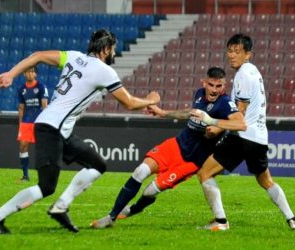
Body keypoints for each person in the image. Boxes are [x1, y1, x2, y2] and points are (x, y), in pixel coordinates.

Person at [0, 29, 160, 234]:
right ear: (106, 49)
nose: (114, 53)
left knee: (97, 164)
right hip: (51, 129)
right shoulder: (104, 71)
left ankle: (61, 206)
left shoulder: (73, 56)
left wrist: (10, 74)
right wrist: (152, 100)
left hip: (59, 129)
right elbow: (130, 103)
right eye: (113, 49)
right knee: (46, 187)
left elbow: (37, 56)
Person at [90, 67, 247, 229]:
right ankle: (111, 217)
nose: (214, 90)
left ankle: (134, 209)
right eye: (211, 85)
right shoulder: (200, 93)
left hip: (192, 161)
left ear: (224, 86)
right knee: (140, 171)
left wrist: (213, 123)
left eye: (218, 86)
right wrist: (163, 113)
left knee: (150, 192)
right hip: (176, 145)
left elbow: (241, 124)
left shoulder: (225, 103)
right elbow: (190, 113)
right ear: (204, 83)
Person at [191, 33, 295, 231]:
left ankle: (221, 222)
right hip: (259, 138)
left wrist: (217, 127)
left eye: (238, 51)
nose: (232, 55)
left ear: (248, 54)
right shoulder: (254, 71)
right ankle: (292, 220)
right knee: (265, 180)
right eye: (230, 51)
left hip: (242, 137)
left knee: (204, 173)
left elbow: (240, 112)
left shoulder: (243, 74)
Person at [17, 66, 48, 182]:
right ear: (24, 74)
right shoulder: (21, 89)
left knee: (43, 149)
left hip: (39, 121)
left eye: (32, 72)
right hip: (26, 121)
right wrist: (20, 124)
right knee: (23, 147)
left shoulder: (41, 87)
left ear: (36, 74)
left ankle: (45, 176)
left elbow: (45, 105)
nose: (30, 74)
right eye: (27, 71)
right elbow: (21, 108)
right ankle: (25, 176)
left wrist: (46, 122)